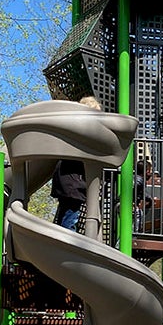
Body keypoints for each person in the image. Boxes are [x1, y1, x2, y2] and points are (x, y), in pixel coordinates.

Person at [50, 95, 101, 232]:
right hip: (73, 183)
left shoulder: (72, 128)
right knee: (71, 218)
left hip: (65, 180)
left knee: (65, 214)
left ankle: (60, 237)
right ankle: (67, 240)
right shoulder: (83, 132)